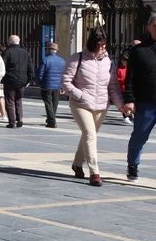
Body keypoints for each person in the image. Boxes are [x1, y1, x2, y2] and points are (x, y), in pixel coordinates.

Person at [62, 26, 122, 187]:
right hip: (80, 103)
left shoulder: (108, 62)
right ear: (92, 44)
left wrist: (121, 106)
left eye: (104, 45)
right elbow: (65, 82)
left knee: (88, 135)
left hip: (101, 105)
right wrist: (80, 95)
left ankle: (76, 163)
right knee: (90, 134)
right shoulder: (77, 58)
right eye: (99, 45)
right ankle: (94, 172)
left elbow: (113, 87)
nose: (103, 48)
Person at [123, 14, 156, 181]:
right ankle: (133, 165)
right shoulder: (139, 51)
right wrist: (129, 99)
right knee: (139, 136)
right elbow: (130, 78)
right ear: (149, 27)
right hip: (146, 103)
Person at [1, 34, 34, 128]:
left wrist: (2, 79)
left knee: (9, 101)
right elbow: (30, 67)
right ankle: (20, 119)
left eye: (8, 40)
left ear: (11, 41)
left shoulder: (7, 52)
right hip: (23, 81)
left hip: (10, 80)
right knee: (18, 100)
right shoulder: (26, 52)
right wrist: (29, 80)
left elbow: (3, 67)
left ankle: (12, 122)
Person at [36, 41, 66, 128]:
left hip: (47, 86)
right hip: (57, 86)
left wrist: (40, 83)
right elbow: (64, 74)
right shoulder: (62, 61)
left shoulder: (45, 59)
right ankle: (50, 119)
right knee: (54, 104)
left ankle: (52, 122)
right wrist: (62, 85)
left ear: (49, 50)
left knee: (48, 104)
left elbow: (40, 74)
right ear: (56, 50)